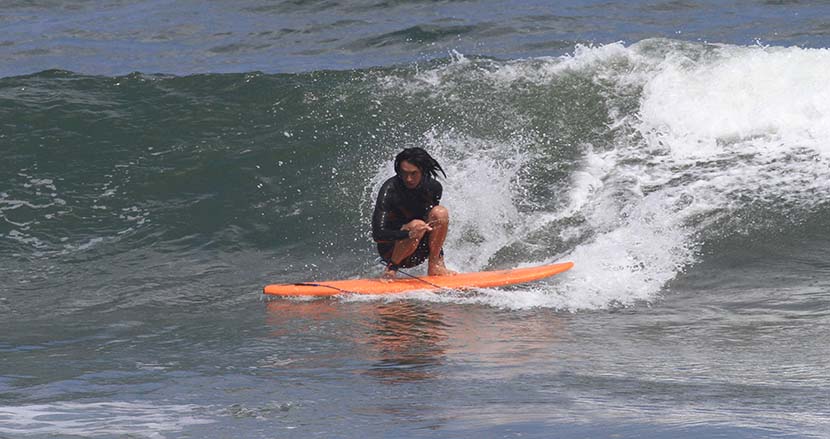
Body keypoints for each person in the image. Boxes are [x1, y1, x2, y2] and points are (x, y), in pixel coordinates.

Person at [372, 147, 456, 278]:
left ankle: (435, 266)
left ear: (422, 171)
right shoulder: (389, 189)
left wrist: (437, 251)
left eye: (413, 173)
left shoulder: (433, 187)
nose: (408, 179)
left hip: (419, 251)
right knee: (417, 224)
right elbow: (378, 235)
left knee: (440, 213)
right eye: (404, 173)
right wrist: (408, 233)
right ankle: (391, 269)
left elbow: (433, 227)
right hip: (392, 250)